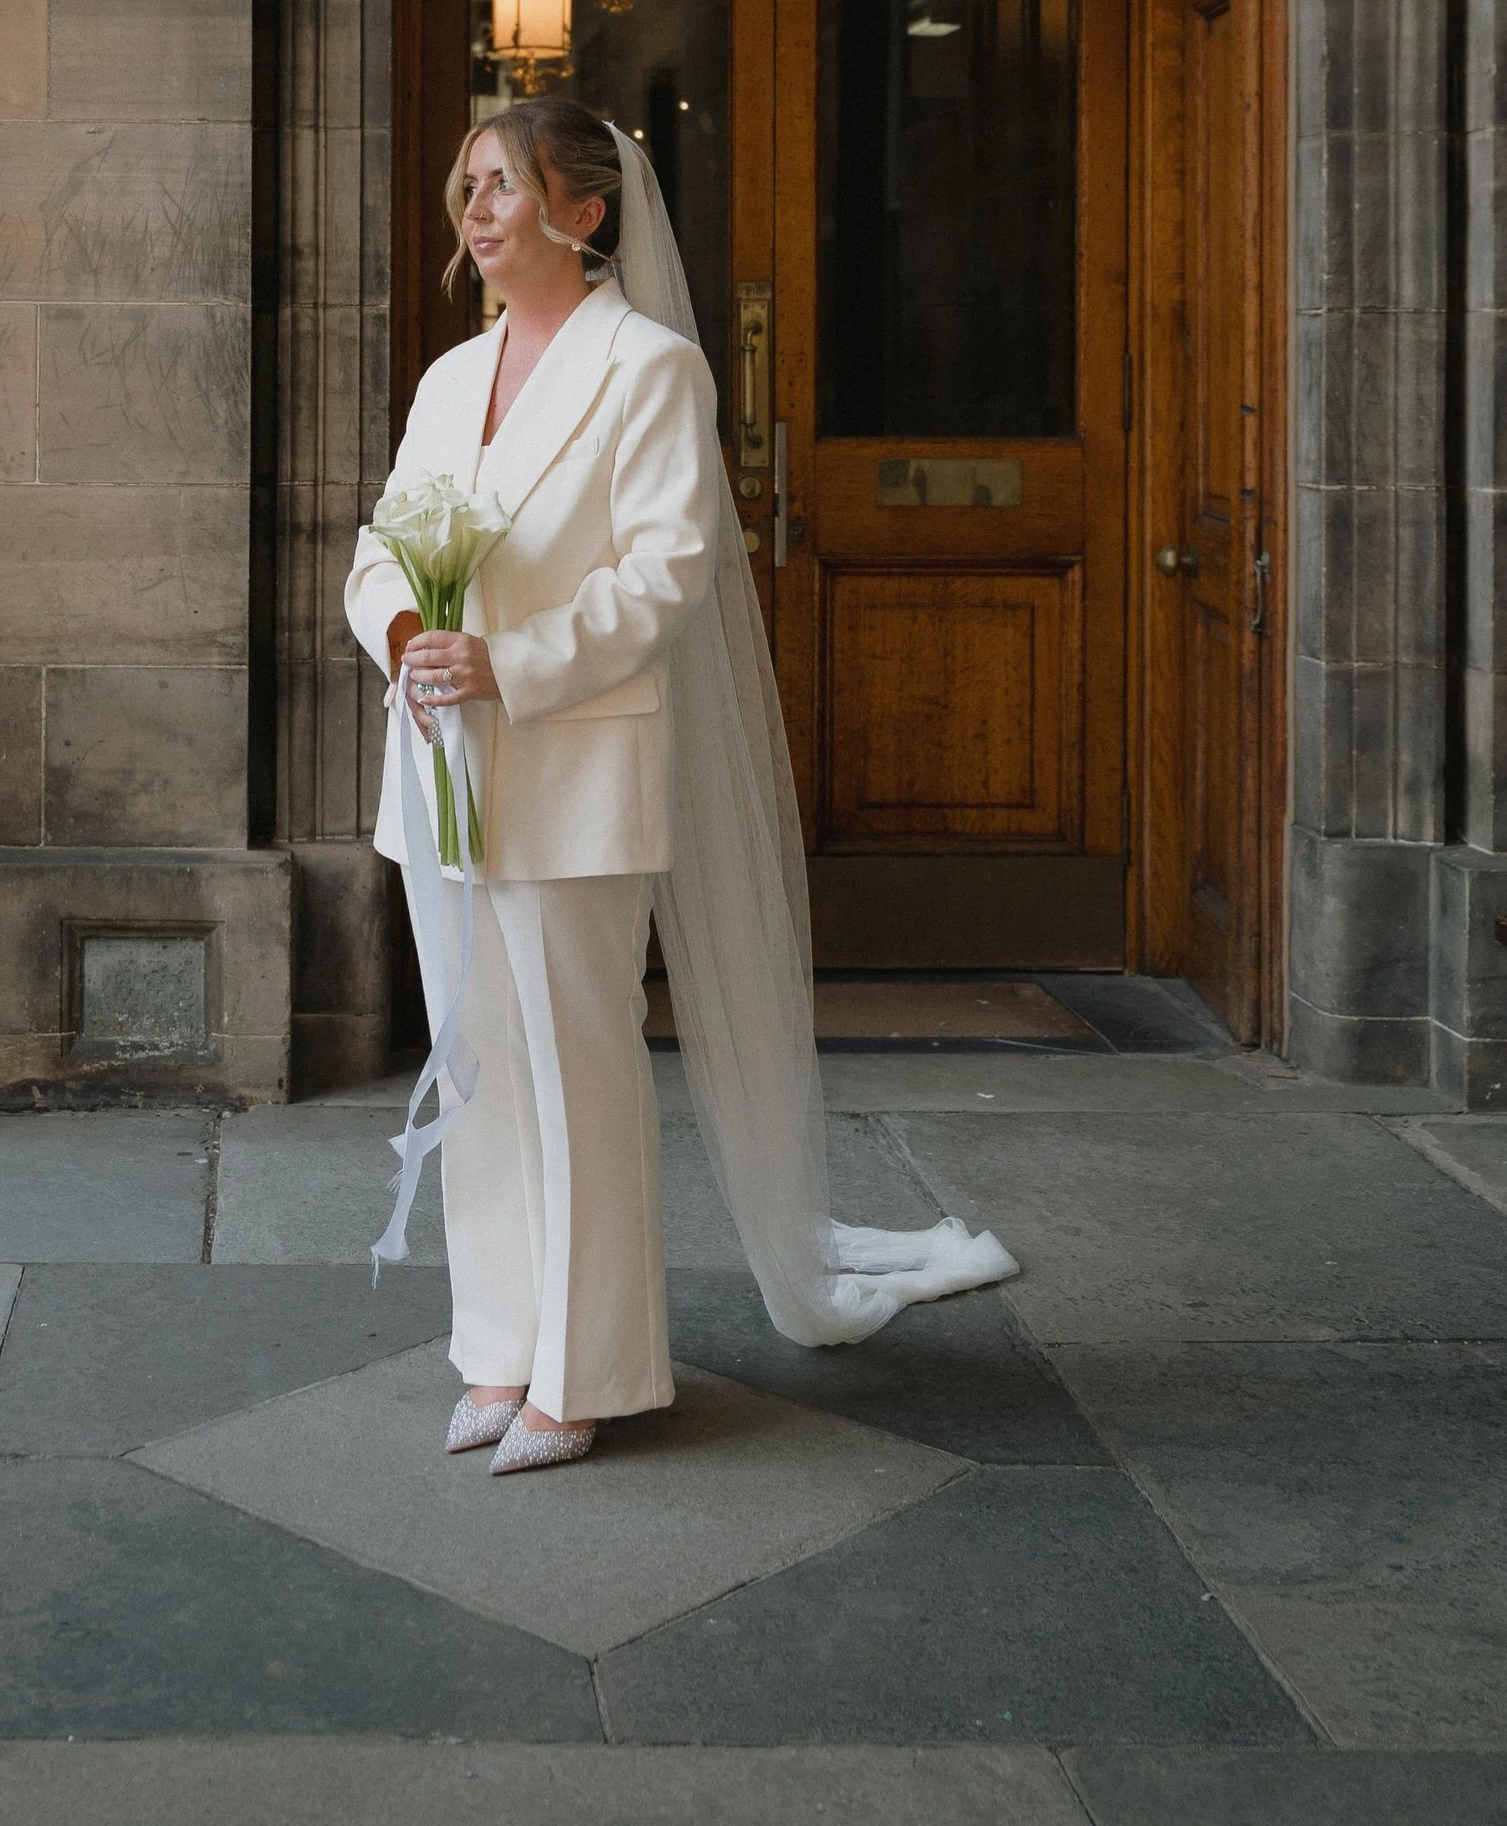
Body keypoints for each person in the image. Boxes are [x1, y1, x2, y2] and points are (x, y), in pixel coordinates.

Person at [346, 93, 1013, 1480]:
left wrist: (507, 660)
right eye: (466, 183)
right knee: (477, 1066)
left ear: (584, 213)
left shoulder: (652, 370)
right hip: (440, 768)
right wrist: (409, 637)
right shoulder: (446, 381)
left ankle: (589, 1373)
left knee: (579, 1069)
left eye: (504, 185)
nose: (475, 209)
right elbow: (381, 546)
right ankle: (498, 1344)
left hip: (572, 766)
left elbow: (666, 573)